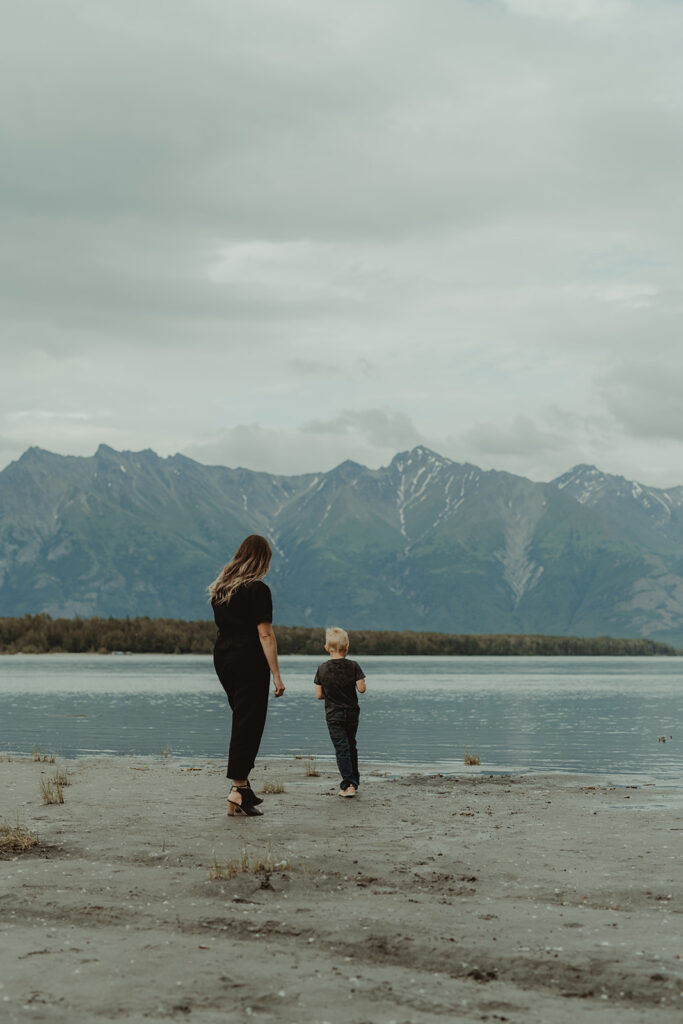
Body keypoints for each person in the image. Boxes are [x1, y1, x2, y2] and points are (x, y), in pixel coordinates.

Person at [208, 535, 285, 817]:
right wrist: (276, 675)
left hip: (223, 656)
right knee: (248, 723)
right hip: (248, 657)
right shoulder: (258, 590)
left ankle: (243, 790)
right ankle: (238, 789)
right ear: (262, 560)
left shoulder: (221, 590)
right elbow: (265, 634)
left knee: (242, 718)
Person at [314, 627, 366, 797]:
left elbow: (319, 695)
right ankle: (353, 781)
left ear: (326, 648)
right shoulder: (354, 666)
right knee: (351, 746)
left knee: (342, 749)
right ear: (347, 647)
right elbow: (362, 689)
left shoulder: (322, 669)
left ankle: (348, 784)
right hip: (352, 713)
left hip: (333, 715)